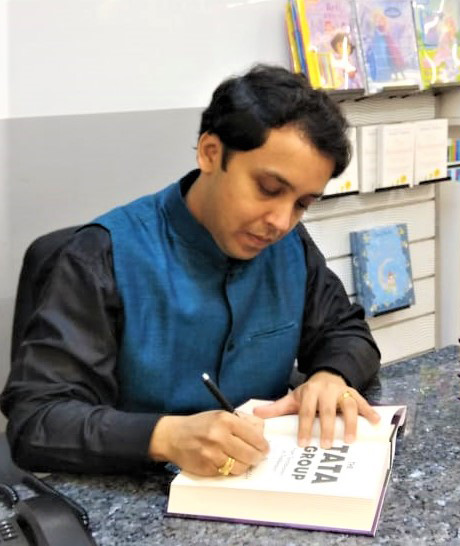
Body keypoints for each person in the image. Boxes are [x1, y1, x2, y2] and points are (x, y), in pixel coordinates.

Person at [1, 64, 382, 478]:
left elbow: (345, 331)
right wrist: (164, 436)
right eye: (269, 190)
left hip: (263, 478)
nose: (280, 221)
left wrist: (330, 375)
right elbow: (37, 420)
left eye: (302, 204)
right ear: (210, 153)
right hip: (135, 489)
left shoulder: (290, 246)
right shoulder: (100, 256)